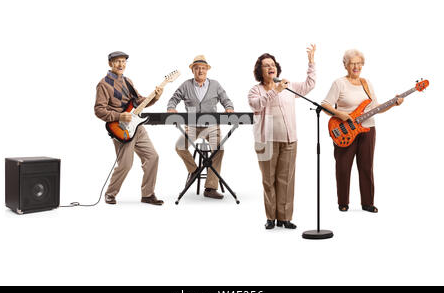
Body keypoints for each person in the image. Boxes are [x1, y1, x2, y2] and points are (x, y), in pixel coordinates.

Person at [320, 49, 404, 213]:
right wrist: (341, 115)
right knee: (343, 167)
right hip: (345, 131)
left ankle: (368, 203)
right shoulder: (339, 83)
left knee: (366, 166)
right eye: (352, 63)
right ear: (345, 65)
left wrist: (394, 103)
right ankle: (343, 202)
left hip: (367, 129)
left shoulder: (367, 83)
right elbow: (325, 105)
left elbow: (376, 108)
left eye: (359, 63)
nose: (356, 66)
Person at [248, 45, 316, 230]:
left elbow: (309, 85)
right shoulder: (256, 90)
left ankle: (285, 218)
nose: (271, 67)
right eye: (266, 65)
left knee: (286, 180)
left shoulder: (288, 86)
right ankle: (271, 218)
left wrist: (311, 62)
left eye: (273, 64)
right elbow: (257, 105)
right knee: (268, 180)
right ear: (260, 71)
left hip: (289, 140)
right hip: (266, 142)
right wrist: (275, 90)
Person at [95, 51, 164, 205]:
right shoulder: (103, 84)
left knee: (153, 157)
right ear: (110, 64)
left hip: (137, 127)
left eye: (123, 61)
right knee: (126, 164)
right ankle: (110, 194)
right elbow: (99, 110)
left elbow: (139, 102)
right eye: (117, 61)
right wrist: (119, 116)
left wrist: (156, 96)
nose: (121, 64)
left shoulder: (128, 82)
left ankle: (147, 194)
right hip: (121, 129)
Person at [167, 55, 234, 199]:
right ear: (193, 71)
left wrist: (229, 108)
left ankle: (210, 187)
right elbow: (174, 98)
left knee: (218, 150)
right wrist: (171, 107)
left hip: (211, 127)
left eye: (203, 68)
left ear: (207, 70)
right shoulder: (186, 85)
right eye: (197, 68)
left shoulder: (215, 85)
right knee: (179, 146)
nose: (200, 71)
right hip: (192, 126)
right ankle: (194, 170)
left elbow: (226, 100)